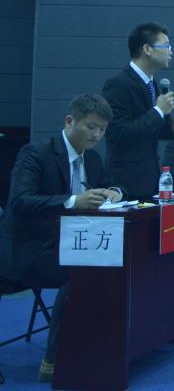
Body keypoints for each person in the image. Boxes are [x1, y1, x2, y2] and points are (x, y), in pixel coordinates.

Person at [0, 95, 125, 382]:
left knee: (108, 267)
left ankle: (90, 349)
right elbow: (19, 202)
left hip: (64, 246)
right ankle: (55, 361)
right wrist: (72, 201)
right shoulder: (36, 153)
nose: (96, 135)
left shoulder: (92, 159)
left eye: (102, 130)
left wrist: (115, 192)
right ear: (70, 121)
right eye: (91, 127)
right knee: (82, 272)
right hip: (25, 248)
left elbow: (114, 184)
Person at [101, 22, 174, 199]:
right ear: (147, 49)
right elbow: (118, 133)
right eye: (166, 46)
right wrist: (158, 111)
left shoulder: (151, 83)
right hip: (125, 184)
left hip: (151, 179)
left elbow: (151, 131)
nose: (171, 52)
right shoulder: (118, 85)